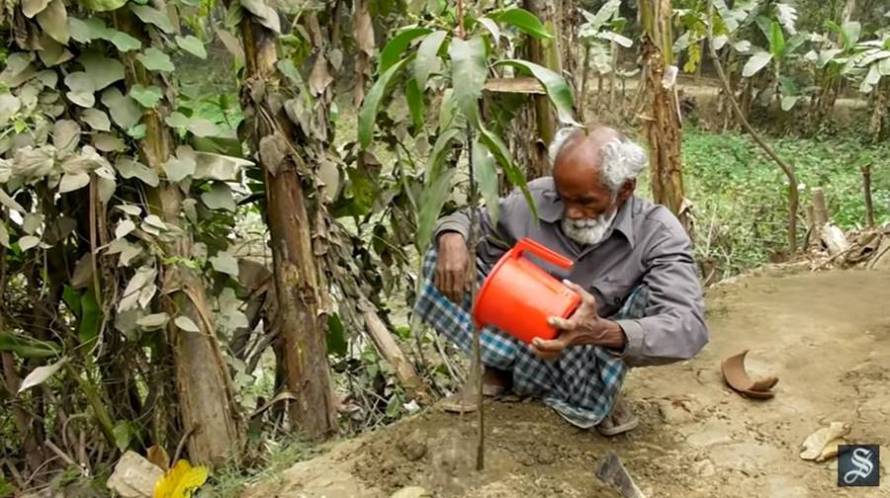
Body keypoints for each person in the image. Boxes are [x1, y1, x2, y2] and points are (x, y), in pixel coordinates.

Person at [413, 125, 709, 435]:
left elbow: (688, 326)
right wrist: (452, 235)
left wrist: (601, 331)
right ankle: (499, 369)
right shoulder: (537, 196)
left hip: (586, 350)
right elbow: (472, 220)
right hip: (517, 331)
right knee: (445, 258)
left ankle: (594, 395)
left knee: (647, 297)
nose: (572, 213)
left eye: (586, 201)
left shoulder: (657, 233)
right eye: (563, 197)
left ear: (625, 190)